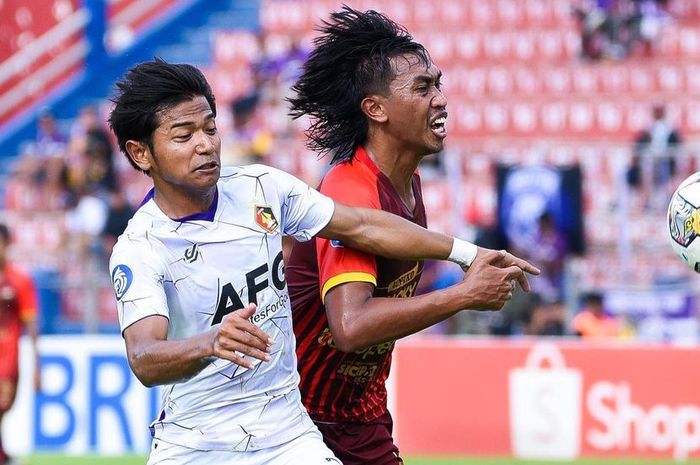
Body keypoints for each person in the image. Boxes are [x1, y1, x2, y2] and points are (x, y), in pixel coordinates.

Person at [107, 58, 536, 465]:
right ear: (141, 154)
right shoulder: (140, 248)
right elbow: (145, 357)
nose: (205, 145)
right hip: (197, 442)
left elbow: (364, 226)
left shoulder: (262, 187)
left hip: (287, 433)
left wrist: (468, 253)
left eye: (210, 128)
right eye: (184, 136)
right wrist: (210, 341)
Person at [285, 7, 539, 464]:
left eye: (437, 84)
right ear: (376, 109)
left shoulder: (406, 184)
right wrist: (463, 295)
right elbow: (351, 327)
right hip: (304, 420)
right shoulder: (351, 190)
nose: (440, 99)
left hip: (358, 413)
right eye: (422, 88)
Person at [0, 223, 41, 465]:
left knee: (4, 406)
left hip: (7, 358)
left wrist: (37, 365)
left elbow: (32, 324)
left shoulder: (20, 280)